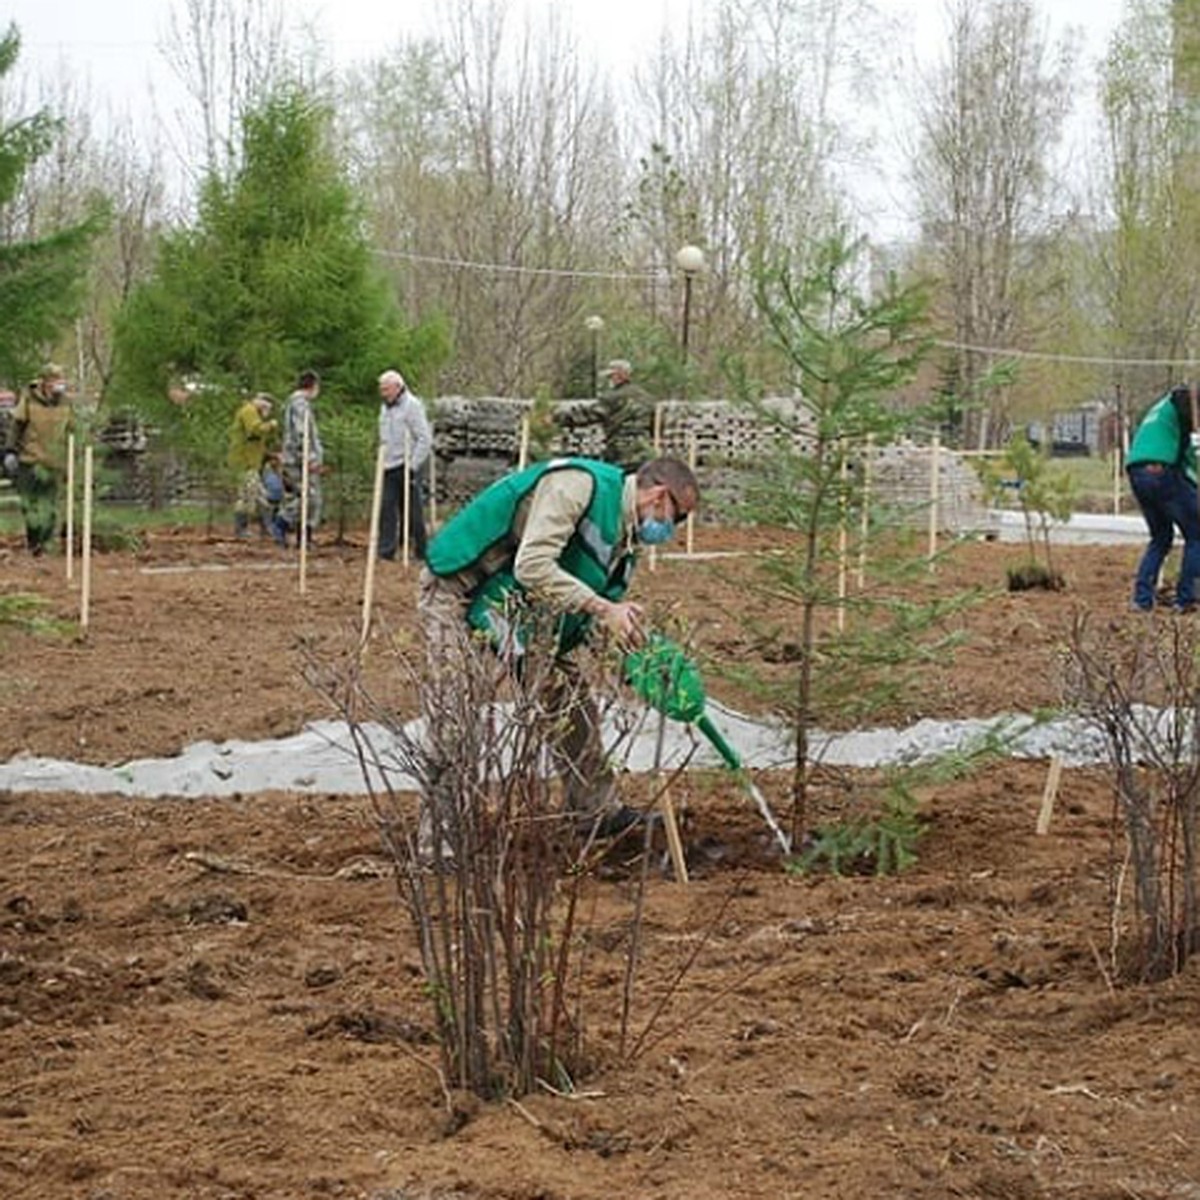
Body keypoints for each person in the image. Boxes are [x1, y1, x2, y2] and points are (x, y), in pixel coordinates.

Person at [418, 454, 700, 836]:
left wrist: (632, 659)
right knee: (453, 712)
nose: (673, 529)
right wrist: (605, 609)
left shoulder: (625, 539)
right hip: (461, 589)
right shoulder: (578, 486)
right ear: (659, 497)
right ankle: (439, 837)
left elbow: (584, 608)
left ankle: (594, 811)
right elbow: (533, 565)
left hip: (519, 608)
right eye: (678, 517)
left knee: (570, 701)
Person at [1127, 382, 1200, 612]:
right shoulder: (1184, 400)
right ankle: (1186, 599)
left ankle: (1142, 599)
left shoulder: (1165, 413)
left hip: (1137, 471)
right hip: (1161, 470)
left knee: (1161, 537)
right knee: (1197, 534)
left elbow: (1188, 463)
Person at [2, 363, 73, 556]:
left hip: (54, 462)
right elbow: (16, 426)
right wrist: (10, 451)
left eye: (60, 379)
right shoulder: (29, 400)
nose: (59, 384)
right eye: (54, 380)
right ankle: (34, 543)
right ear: (44, 382)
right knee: (31, 505)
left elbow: (72, 432)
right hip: (30, 459)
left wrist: (74, 458)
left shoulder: (66, 403)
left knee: (49, 506)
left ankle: (45, 545)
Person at [376, 369, 433, 561]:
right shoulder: (385, 407)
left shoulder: (412, 406)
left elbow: (424, 438)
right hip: (388, 465)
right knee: (386, 507)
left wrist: (413, 465)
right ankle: (386, 551)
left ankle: (421, 551)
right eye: (381, 390)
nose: (383, 393)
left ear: (398, 387)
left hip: (408, 464)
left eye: (386, 390)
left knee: (413, 511)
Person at [275, 369, 323, 548]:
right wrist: (309, 458)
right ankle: (282, 523)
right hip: (298, 461)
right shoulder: (299, 405)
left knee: (310, 497)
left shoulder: (299, 404)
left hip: (298, 459)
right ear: (313, 386)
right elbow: (301, 433)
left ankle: (305, 537)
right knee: (309, 497)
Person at [228, 392, 278, 539]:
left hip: (251, 463)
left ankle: (267, 529)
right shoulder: (249, 411)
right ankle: (242, 530)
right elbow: (255, 429)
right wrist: (271, 424)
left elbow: (255, 441)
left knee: (261, 497)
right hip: (245, 463)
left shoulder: (253, 413)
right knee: (247, 496)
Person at [596, 358, 655, 470]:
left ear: (621, 375)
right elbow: (656, 424)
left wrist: (558, 417)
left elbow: (591, 414)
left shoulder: (612, 397)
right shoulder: (646, 397)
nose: (610, 380)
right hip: (645, 451)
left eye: (612, 376)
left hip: (620, 453)